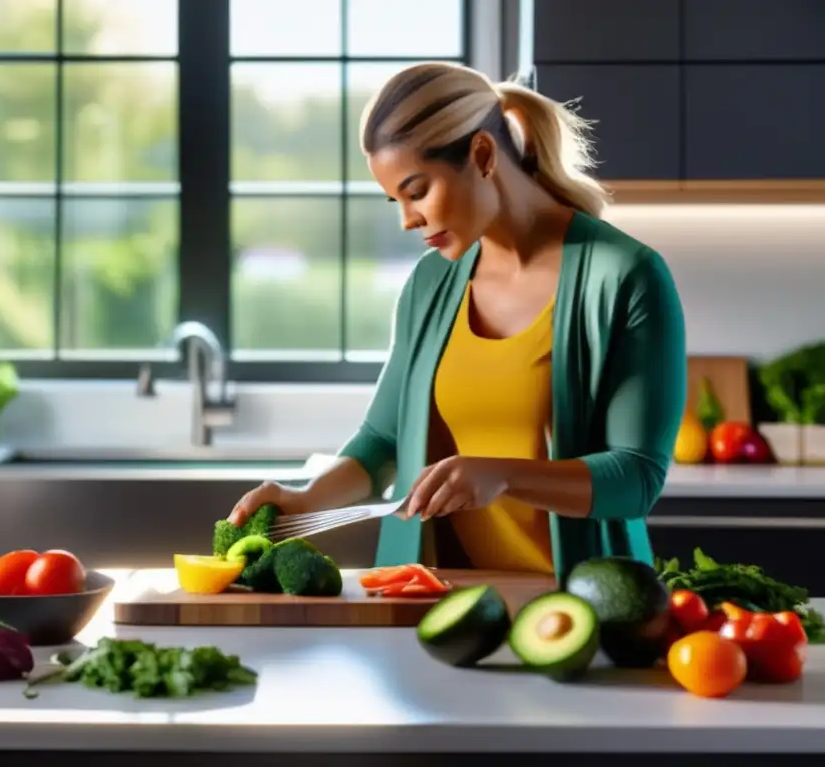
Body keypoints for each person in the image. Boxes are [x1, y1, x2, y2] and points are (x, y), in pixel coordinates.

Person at [227, 62, 687, 586]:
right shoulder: (432, 282)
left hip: (583, 605)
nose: (407, 220)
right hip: (438, 602)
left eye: (417, 191)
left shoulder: (625, 276)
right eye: (395, 200)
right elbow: (383, 439)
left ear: (483, 156)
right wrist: (305, 498)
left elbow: (636, 477)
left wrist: (500, 474)